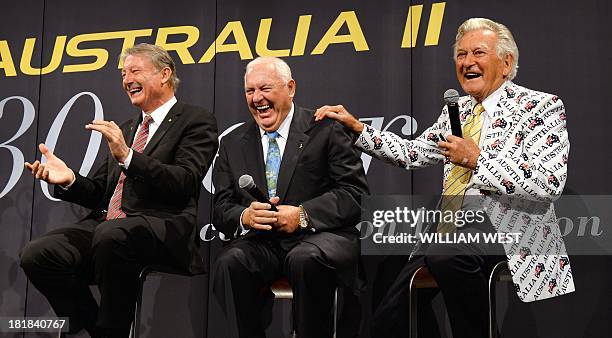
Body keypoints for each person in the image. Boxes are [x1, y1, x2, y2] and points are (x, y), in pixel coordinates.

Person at [315, 18, 575, 338]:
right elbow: (412, 154)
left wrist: (477, 159)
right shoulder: (457, 111)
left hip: (511, 230)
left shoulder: (540, 107)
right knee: (389, 318)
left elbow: (549, 184)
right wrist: (358, 129)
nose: (467, 62)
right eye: (461, 55)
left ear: (506, 63)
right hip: (449, 230)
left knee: (448, 254)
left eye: (478, 53)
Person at [20, 43, 218, 338]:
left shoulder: (195, 120)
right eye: (124, 74)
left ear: (164, 74)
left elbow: (183, 182)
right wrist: (69, 179)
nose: (126, 80)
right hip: (108, 228)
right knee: (38, 253)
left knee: (111, 235)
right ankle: (99, 329)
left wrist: (128, 156)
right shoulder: (126, 129)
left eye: (135, 71)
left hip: (161, 227)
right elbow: (101, 191)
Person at [212, 56, 369, 338]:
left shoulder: (326, 129)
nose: (257, 98)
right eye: (250, 91)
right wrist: (244, 216)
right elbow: (221, 208)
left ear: (291, 88)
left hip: (320, 237)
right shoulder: (232, 142)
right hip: (263, 243)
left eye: (265, 88)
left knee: (304, 259)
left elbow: (355, 195)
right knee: (230, 262)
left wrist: (302, 215)